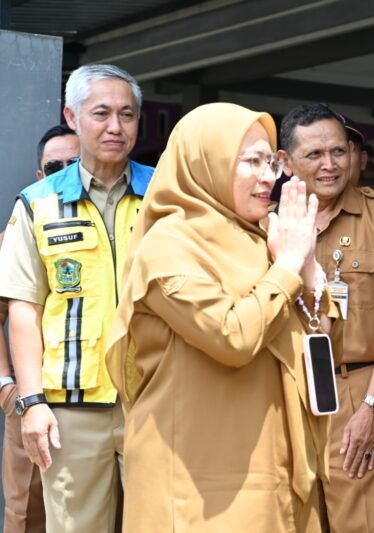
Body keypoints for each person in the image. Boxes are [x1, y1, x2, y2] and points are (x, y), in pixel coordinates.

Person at [104, 102, 337, 532]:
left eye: (271, 161)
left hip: (271, 459)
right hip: (199, 474)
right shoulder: (169, 245)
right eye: (251, 161)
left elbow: (317, 331)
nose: (269, 175)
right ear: (204, 162)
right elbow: (231, 337)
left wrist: (306, 272)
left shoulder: (263, 237)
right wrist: (287, 268)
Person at [0, 64, 153, 533]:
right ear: (72, 115)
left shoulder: (165, 196)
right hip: (70, 412)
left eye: (127, 115)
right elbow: (25, 309)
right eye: (101, 113)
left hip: (153, 401)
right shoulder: (37, 203)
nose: (115, 127)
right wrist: (30, 402)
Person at [279, 103, 374, 533]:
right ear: (286, 162)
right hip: (290, 399)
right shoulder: (269, 222)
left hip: (356, 394)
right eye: (315, 155)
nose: (330, 165)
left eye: (338, 152)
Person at [0, 124, 78, 533]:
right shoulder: (18, 231)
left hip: (99, 399)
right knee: (27, 514)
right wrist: (7, 387)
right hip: (32, 400)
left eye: (75, 164)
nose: (64, 172)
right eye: (55, 166)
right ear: (40, 175)